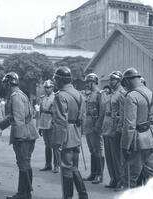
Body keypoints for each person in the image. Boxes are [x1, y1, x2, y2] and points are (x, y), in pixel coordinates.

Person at [0, 72, 39, 199]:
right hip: (28, 133)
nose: (4, 86)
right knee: (25, 163)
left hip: (23, 135)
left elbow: (19, 119)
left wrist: (19, 138)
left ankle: (23, 193)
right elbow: (12, 117)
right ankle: (25, 193)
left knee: (23, 163)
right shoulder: (19, 94)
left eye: (5, 83)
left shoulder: (15, 96)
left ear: (8, 83)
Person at [51, 66, 88, 199]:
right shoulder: (79, 94)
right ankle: (83, 194)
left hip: (65, 135)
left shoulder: (60, 95)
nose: (55, 81)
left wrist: (57, 142)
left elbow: (60, 121)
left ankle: (67, 197)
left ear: (60, 80)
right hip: (76, 134)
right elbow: (82, 117)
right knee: (73, 167)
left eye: (56, 79)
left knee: (66, 167)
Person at [120, 68, 153, 189]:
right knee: (152, 176)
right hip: (152, 139)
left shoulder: (131, 96)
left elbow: (129, 125)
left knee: (129, 177)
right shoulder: (152, 94)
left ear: (127, 81)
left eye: (125, 82)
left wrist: (125, 145)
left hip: (138, 141)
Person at [100, 71, 125, 188]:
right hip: (106, 128)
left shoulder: (122, 94)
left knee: (116, 157)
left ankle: (121, 181)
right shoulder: (110, 94)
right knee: (109, 156)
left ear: (119, 80)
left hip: (115, 129)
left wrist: (119, 129)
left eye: (113, 79)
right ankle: (113, 179)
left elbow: (123, 114)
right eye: (110, 80)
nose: (110, 82)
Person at [82, 73, 104, 184]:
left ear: (94, 82)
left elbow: (102, 112)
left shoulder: (100, 94)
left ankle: (100, 175)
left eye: (88, 82)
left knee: (98, 151)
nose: (87, 84)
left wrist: (98, 126)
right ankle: (93, 173)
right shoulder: (90, 95)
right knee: (92, 150)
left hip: (96, 125)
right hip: (89, 124)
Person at [38, 79, 60, 173]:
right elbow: (40, 112)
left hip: (52, 122)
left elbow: (57, 112)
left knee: (54, 145)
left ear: (52, 87)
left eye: (49, 87)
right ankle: (48, 164)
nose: (47, 89)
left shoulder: (56, 97)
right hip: (44, 123)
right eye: (45, 87)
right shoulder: (42, 97)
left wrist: (55, 123)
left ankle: (56, 165)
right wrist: (39, 126)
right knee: (47, 145)